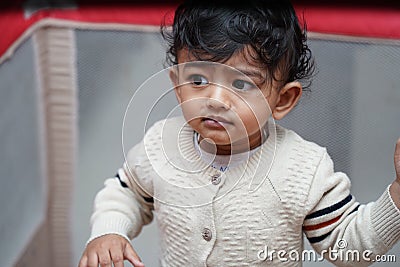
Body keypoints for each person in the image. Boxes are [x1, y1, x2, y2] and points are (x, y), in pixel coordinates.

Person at [79, 1, 400, 266]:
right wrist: (109, 231)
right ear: (177, 86)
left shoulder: (304, 170)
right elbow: (128, 193)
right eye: (199, 81)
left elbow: (349, 248)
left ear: (282, 99)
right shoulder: (161, 148)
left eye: (242, 84)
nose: (216, 101)